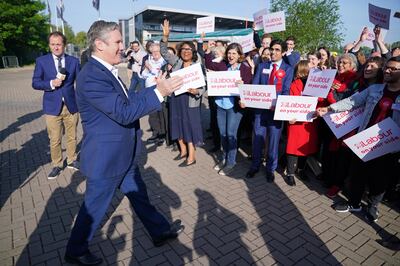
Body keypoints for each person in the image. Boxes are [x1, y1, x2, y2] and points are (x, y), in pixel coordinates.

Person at [64, 20, 185, 266]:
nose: (123, 47)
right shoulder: (91, 77)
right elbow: (124, 112)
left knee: (140, 196)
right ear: (99, 44)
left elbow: (129, 99)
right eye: (118, 42)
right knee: (94, 208)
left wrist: (156, 88)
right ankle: (76, 250)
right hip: (107, 159)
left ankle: (159, 230)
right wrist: (160, 93)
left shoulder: (106, 69)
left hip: (123, 155)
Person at [316, 56, 400, 223]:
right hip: (365, 140)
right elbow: (353, 102)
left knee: (380, 179)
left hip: (388, 144)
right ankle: (354, 203)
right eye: (386, 68)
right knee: (357, 174)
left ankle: (373, 206)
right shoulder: (375, 89)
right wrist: (330, 108)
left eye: (393, 69)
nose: (387, 71)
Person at [32, 31, 80, 179]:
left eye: (58, 44)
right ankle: (57, 165)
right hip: (52, 107)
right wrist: (51, 83)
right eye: (53, 44)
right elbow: (35, 82)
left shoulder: (73, 61)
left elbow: (81, 82)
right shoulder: (42, 61)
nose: (56, 47)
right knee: (55, 139)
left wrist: (81, 99)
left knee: (72, 136)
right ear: (49, 45)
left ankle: (72, 160)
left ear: (64, 45)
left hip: (71, 106)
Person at [246, 39, 294, 182]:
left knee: (273, 141)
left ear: (284, 52)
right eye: (272, 49)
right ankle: (255, 166)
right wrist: (247, 98)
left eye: (277, 50)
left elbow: (286, 91)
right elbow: (254, 87)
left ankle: (270, 169)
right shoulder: (262, 66)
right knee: (257, 140)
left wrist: (278, 103)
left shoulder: (288, 69)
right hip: (260, 112)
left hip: (276, 112)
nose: (273, 52)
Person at [161, 19, 205, 167]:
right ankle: (183, 151)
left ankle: (192, 156)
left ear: (193, 52)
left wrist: (197, 91)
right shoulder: (176, 62)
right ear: (180, 51)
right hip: (176, 99)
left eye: (189, 49)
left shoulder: (197, 66)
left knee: (189, 126)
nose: (186, 52)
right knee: (177, 123)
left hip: (190, 99)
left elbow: (204, 86)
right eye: (183, 49)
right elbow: (163, 52)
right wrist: (165, 37)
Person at [205, 42, 253, 176]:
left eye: (234, 53)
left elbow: (249, 86)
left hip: (234, 107)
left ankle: (231, 162)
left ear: (239, 55)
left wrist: (243, 85)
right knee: (223, 134)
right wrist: (208, 51)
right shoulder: (223, 65)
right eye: (229, 53)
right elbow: (209, 65)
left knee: (231, 134)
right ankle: (225, 158)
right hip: (221, 104)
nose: (231, 56)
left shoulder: (244, 68)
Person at [285, 60, 320, 186]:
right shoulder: (295, 84)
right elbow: (291, 101)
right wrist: (290, 115)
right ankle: (290, 173)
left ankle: (301, 169)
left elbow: (321, 100)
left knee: (306, 147)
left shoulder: (316, 85)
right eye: (311, 67)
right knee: (293, 147)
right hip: (296, 121)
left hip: (309, 122)